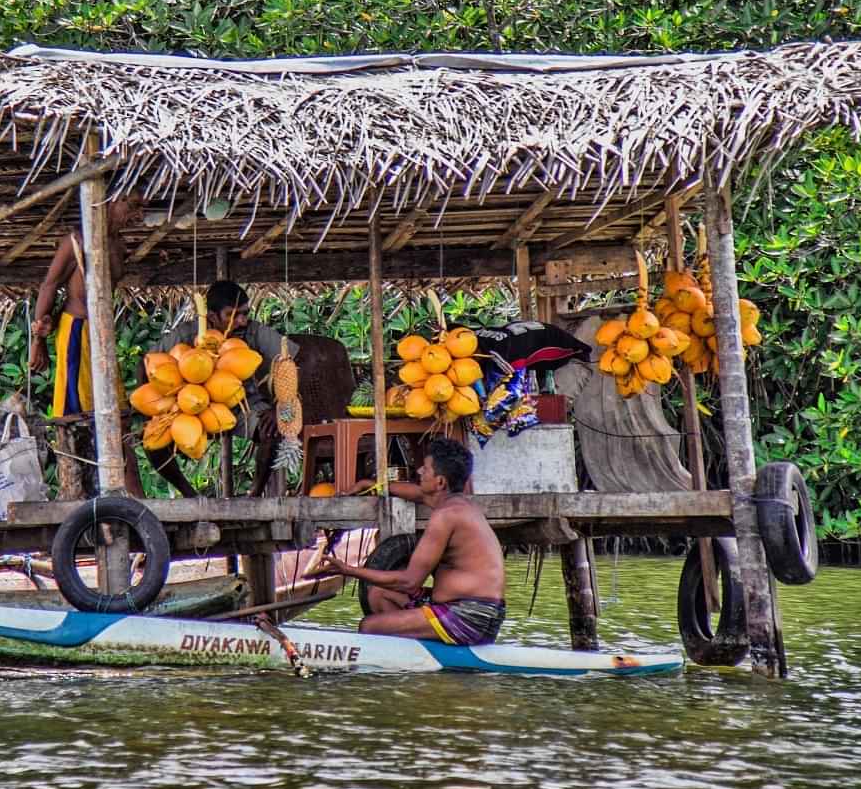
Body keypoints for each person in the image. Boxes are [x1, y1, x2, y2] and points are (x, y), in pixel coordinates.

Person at [310, 437, 506, 644]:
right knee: (379, 595)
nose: (420, 471)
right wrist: (372, 486)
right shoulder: (457, 504)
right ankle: (419, 647)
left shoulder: (446, 516)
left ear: (440, 482)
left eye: (426, 468)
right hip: (473, 610)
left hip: (470, 616)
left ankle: (425, 646)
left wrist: (347, 570)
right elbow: (419, 494)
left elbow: (409, 582)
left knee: (369, 626)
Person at [145, 280, 287, 495]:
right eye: (232, 315)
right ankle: (190, 495)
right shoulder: (187, 333)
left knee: (273, 431)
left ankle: (255, 496)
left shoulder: (254, 331)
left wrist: (280, 406)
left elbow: (291, 359)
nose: (241, 321)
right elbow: (144, 363)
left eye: (245, 313)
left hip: (242, 407)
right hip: (190, 407)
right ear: (211, 317)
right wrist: (151, 406)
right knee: (152, 443)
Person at [29, 194, 142, 418]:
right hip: (76, 331)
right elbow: (49, 285)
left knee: (113, 407)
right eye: (132, 206)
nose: (138, 215)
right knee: (77, 411)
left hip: (102, 333)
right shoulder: (77, 241)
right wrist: (38, 340)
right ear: (111, 200)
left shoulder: (119, 244)